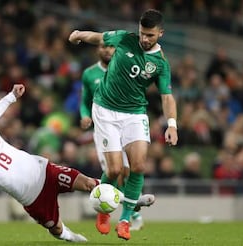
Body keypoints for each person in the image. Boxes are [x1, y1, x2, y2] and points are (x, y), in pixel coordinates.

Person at [69, 9, 178, 240]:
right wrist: (78, 33)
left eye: (150, 35)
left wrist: (172, 125)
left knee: (138, 166)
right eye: (142, 33)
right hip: (106, 109)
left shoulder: (160, 64)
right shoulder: (125, 38)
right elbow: (98, 37)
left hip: (135, 113)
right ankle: (103, 210)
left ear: (160, 33)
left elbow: (167, 96)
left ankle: (126, 220)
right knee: (115, 170)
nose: (144, 39)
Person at [0, 84, 98, 244]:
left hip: (45, 171)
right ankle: (70, 236)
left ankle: (126, 200)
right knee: (56, 229)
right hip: (34, 199)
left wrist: (12, 95)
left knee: (89, 183)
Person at [79, 43, 145, 231]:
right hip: (103, 129)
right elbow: (84, 101)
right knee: (115, 172)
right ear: (97, 50)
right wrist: (85, 115)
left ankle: (129, 215)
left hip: (124, 126)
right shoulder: (89, 74)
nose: (107, 50)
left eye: (111, 47)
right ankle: (129, 213)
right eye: (103, 47)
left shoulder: (127, 70)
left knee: (127, 172)